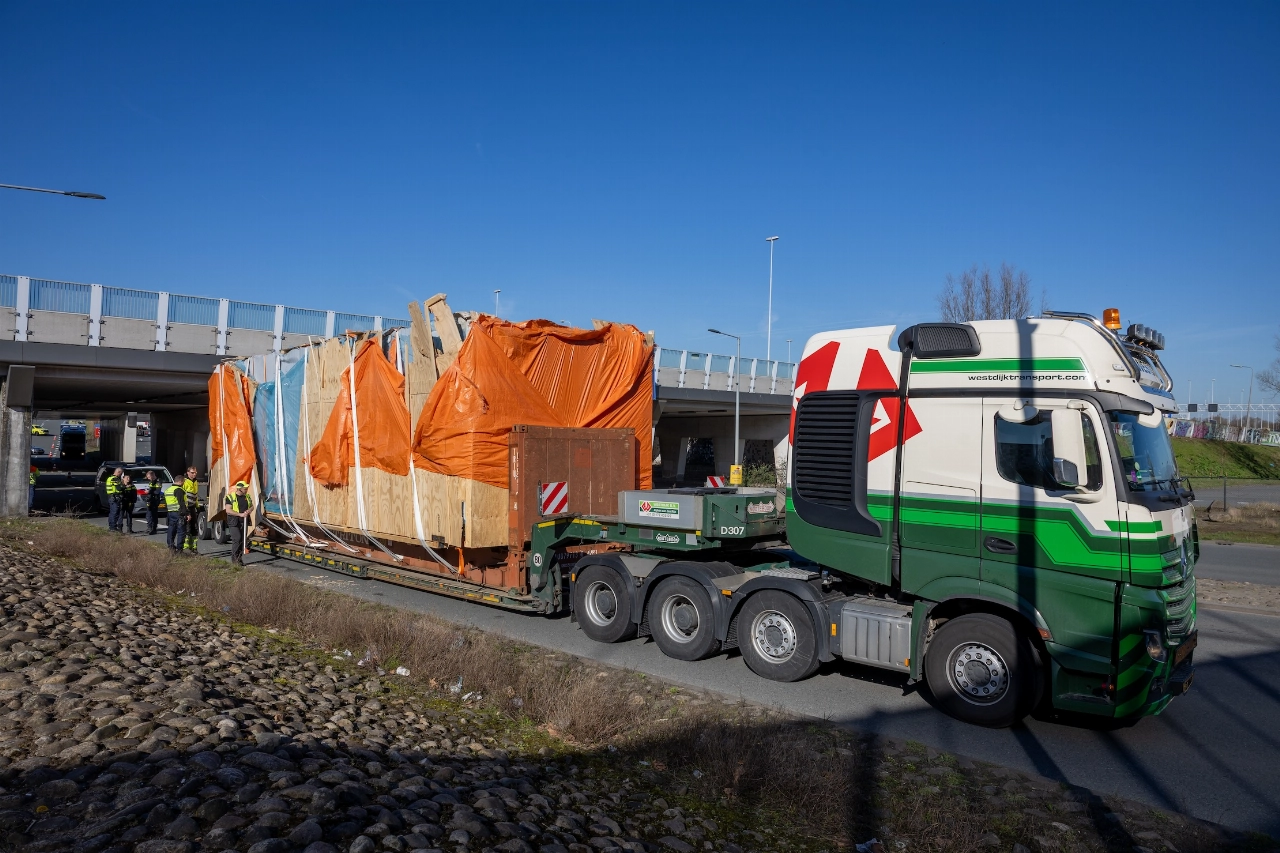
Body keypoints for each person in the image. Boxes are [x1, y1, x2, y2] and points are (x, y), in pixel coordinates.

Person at [223, 480, 253, 566]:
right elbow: (228, 510)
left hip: (244, 520)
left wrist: (248, 511)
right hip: (234, 521)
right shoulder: (230, 497)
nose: (246, 489)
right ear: (239, 489)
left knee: (242, 540)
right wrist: (240, 514)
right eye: (245, 488)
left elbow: (252, 506)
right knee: (237, 539)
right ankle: (234, 559)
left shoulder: (247, 496)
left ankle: (239, 559)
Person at [181, 466, 201, 554]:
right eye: (192, 473)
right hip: (186, 507)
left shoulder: (195, 481)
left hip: (192, 507)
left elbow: (195, 495)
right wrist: (185, 510)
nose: (194, 474)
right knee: (187, 528)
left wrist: (197, 506)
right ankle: (186, 548)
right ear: (188, 472)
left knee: (194, 528)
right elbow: (183, 497)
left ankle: (194, 547)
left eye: (195, 472)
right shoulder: (185, 482)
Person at [163, 481, 185, 554]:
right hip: (178, 513)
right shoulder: (178, 490)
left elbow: (165, 503)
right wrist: (187, 514)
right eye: (183, 482)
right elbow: (182, 503)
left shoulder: (168, 490)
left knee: (171, 529)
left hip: (170, 513)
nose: (184, 483)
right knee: (181, 531)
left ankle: (170, 546)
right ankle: (179, 549)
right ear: (180, 481)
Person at [143, 470, 163, 535]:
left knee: (154, 515)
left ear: (152, 475)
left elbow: (157, 492)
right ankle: (149, 527)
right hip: (150, 500)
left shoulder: (158, 481)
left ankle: (154, 528)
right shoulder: (151, 482)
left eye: (149, 477)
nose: (148, 479)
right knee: (148, 515)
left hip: (155, 500)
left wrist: (149, 492)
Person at [105, 467, 124, 532]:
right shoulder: (115, 479)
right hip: (115, 497)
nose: (121, 475)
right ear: (118, 472)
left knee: (112, 512)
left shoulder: (110, 478)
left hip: (111, 497)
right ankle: (113, 527)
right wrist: (123, 485)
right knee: (115, 513)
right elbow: (119, 488)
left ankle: (111, 526)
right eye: (121, 473)